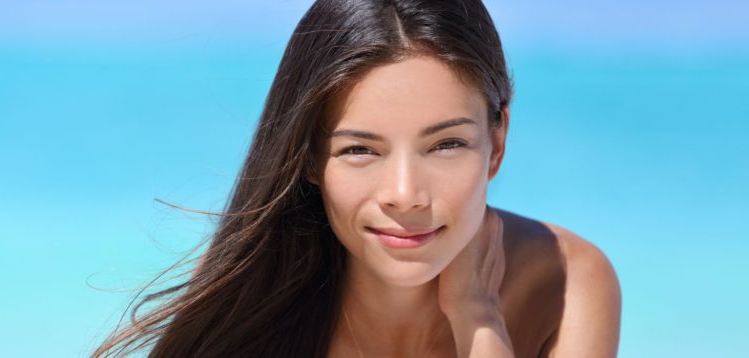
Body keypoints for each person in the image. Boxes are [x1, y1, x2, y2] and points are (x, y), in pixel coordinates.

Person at [93, 0, 621, 356]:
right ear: (308, 157)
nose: (405, 195)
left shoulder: (568, 281)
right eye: (360, 150)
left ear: (497, 142)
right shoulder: (250, 308)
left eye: (446, 144)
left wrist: (479, 320)